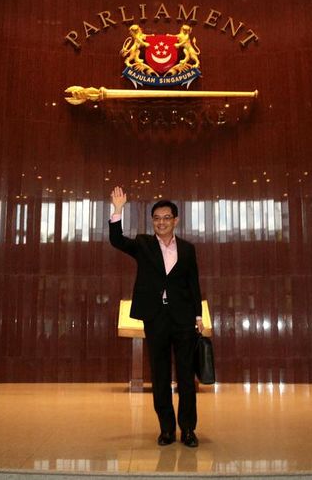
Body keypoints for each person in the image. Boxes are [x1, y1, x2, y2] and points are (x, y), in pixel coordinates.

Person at [109, 186, 205, 448]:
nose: (161, 222)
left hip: (183, 318)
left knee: (186, 376)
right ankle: (166, 429)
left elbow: (193, 284)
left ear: (175, 220)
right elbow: (117, 241)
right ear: (153, 221)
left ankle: (188, 430)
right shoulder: (143, 244)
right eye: (157, 218)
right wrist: (117, 210)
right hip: (155, 318)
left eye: (166, 218)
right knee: (160, 375)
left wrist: (198, 315)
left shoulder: (187, 249)